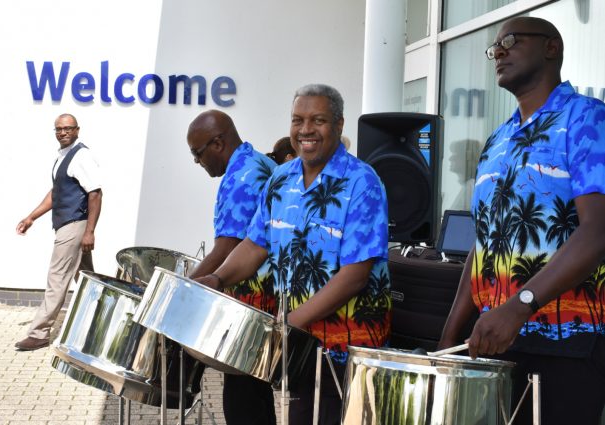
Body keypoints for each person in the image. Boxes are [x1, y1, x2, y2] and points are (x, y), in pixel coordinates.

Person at [438, 17, 605, 425]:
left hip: (568, 343)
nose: (498, 52)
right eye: (493, 47)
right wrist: (449, 334)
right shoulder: (497, 140)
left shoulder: (587, 119)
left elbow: (598, 231)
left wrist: (519, 306)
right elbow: (485, 245)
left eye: (509, 41)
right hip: (495, 344)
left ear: (551, 48)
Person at [196, 84, 391, 425]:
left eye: (318, 120)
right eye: (297, 120)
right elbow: (256, 244)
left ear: (339, 124)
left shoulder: (363, 182)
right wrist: (218, 277)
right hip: (302, 345)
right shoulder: (281, 178)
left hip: (346, 351)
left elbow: (354, 275)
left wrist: (286, 326)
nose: (305, 130)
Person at [186, 110, 277, 425]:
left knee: (242, 403)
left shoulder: (240, 177)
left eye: (198, 153)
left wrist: (179, 290)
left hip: (254, 307)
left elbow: (228, 248)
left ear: (218, 143)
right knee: (256, 398)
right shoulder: (257, 161)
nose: (198, 162)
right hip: (265, 304)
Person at [15, 113, 102, 351]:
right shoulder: (63, 157)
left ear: (77, 130)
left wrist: (89, 231)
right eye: (58, 129)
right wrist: (31, 217)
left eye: (67, 128)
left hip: (75, 224)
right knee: (86, 279)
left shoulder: (82, 156)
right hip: (68, 224)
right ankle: (100, 322)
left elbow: (95, 193)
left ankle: (39, 332)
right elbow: (56, 192)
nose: (62, 132)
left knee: (57, 278)